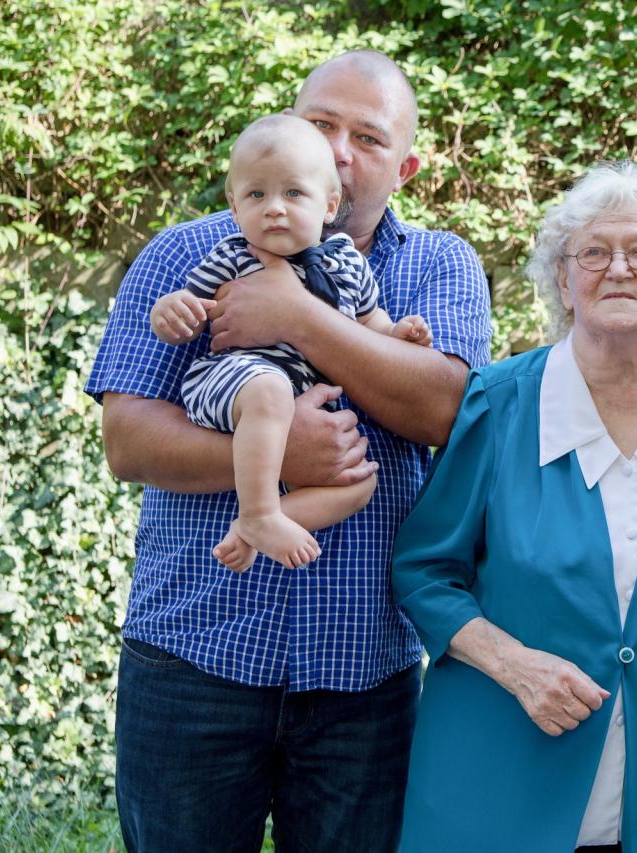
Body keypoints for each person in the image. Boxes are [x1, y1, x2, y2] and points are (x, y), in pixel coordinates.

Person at [85, 50, 491, 852]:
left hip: (362, 678)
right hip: (192, 655)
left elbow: (445, 409)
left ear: (404, 167)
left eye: (368, 138)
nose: (338, 148)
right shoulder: (185, 255)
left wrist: (297, 315)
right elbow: (126, 439)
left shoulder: (440, 264)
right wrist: (281, 459)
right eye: (320, 124)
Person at [389, 162, 637, 852]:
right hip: (490, 787)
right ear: (563, 283)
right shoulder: (496, 405)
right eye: (594, 253)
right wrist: (515, 665)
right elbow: (424, 571)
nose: (619, 268)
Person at [150, 113, 434, 573]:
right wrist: (170, 312)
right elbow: (189, 309)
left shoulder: (348, 264)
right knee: (269, 390)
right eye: (256, 195)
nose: (274, 208)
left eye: (294, 193)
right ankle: (260, 511)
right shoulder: (232, 255)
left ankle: (257, 526)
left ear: (329, 205)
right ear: (234, 206)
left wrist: (399, 336)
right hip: (234, 382)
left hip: (300, 397)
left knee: (360, 481)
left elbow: (371, 322)